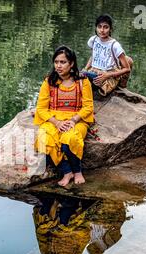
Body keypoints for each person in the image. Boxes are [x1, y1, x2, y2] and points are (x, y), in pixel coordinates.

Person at [33, 46, 94, 186]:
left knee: (70, 139)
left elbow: (88, 107)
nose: (58, 66)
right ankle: (67, 171)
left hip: (76, 119)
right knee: (43, 139)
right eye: (56, 62)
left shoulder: (83, 82)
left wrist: (73, 120)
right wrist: (57, 123)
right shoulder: (49, 82)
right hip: (53, 119)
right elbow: (41, 109)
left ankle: (77, 171)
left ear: (71, 64)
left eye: (63, 62)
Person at [83, 14, 133, 96]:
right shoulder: (94, 40)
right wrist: (85, 69)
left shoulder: (115, 45)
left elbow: (127, 69)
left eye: (105, 27)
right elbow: (93, 56)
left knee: (99, 89)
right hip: (94, 71)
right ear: (96, 28)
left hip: (109, 74)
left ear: (110, 29)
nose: (102, 30)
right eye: (99, 27)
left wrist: (107, 75)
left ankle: (120, 86)